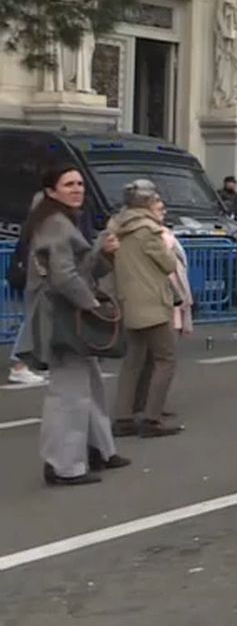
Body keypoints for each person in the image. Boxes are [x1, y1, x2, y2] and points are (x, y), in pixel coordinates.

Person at [14, 163, 128, 485]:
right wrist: (92, 305)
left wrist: (103, 253)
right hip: (61, 317)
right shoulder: (55, 224)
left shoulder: (61, 221)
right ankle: (63, 465)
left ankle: (98, 449)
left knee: (88, 384)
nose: (77, 189)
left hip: (66, 314)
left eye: (79, 183)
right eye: (69, 184)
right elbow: (64, 276)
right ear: (51, 191)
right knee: (69, 393)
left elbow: (81, 269)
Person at [106, 180, 184, 438]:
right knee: (165, 359)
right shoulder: (149, 231)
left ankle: (123, 416)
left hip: (128, 299)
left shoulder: (116, 226)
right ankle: (152, 417)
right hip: (152, 300)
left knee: (133, 360)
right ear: (148, 203)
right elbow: (168, 263)